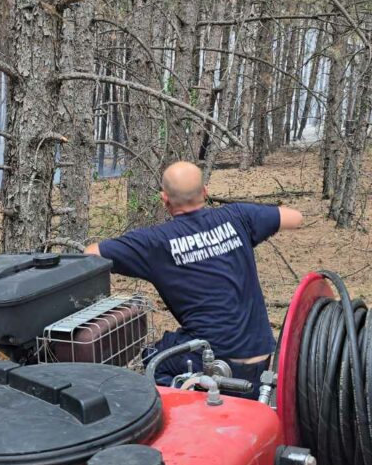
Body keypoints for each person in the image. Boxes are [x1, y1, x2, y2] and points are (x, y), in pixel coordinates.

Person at [85, 161, 303, 399]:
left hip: (216, 362)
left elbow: (92, 253)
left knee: (153, 358)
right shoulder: (239, 216)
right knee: (173, 344)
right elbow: (295, 218)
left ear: (164, 199)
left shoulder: (155, 243)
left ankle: (191, 398)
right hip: (262, 358)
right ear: (205, 191)